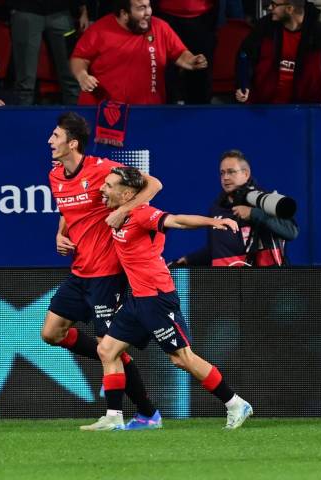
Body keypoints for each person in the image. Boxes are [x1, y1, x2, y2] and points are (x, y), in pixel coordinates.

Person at [81, 166, 253, 431]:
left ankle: (235, 403)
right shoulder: (117, 212)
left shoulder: (143, 214)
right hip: (137, 299)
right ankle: (113, 417)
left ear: (127, 193)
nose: (102, 189)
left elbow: (178, 220)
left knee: (181, 358)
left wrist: (214, 222)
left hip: (158, 298)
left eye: (109, 185)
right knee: (107, 349)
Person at [44, 112, 165, 430]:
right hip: (80, 269)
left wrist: (124, 210)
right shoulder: (55, 175)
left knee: (107, 346)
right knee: (50, 333)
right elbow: (69, 210)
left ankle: (145, 413)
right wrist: (61, 233)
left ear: (72, 143)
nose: (50, 141)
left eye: (55, 136)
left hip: (107, 271)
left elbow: (153, 184)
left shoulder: (102, 168)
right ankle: (142, 408)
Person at [235, 0, 321, 119]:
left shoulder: (319, 32)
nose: (269, 8)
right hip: (262, 110)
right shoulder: (264, 26)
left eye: (274, 4)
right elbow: (244, 54)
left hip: (305, 114)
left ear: (290, 9)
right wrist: (243, 84)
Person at [174, 150, 298, 267]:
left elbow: (291, 232)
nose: (225, 177)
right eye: (222, 173)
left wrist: (253, 213)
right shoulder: (216, 208)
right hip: (225, 285)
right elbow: (216, 249)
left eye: (231, 172)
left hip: (262, 283)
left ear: (246, 174)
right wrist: (189, 259)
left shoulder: (264, 202)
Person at [70, 0, 208, 105]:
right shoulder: (99, 30)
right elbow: (79, 58)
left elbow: (180, 54)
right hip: (106, 111)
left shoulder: (160, 27)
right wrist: (82, 75)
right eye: (141, 8)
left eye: (148, 6)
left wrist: (191, 60)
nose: (148, 12)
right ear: (124, 14)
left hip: (148, 111)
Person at [8, 0, 87, 105]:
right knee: (25, 82)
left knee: (71, 79)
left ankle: (75, 119)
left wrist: (84, 11)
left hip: (61, 14)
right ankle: (23, 119)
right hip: (26, 11)